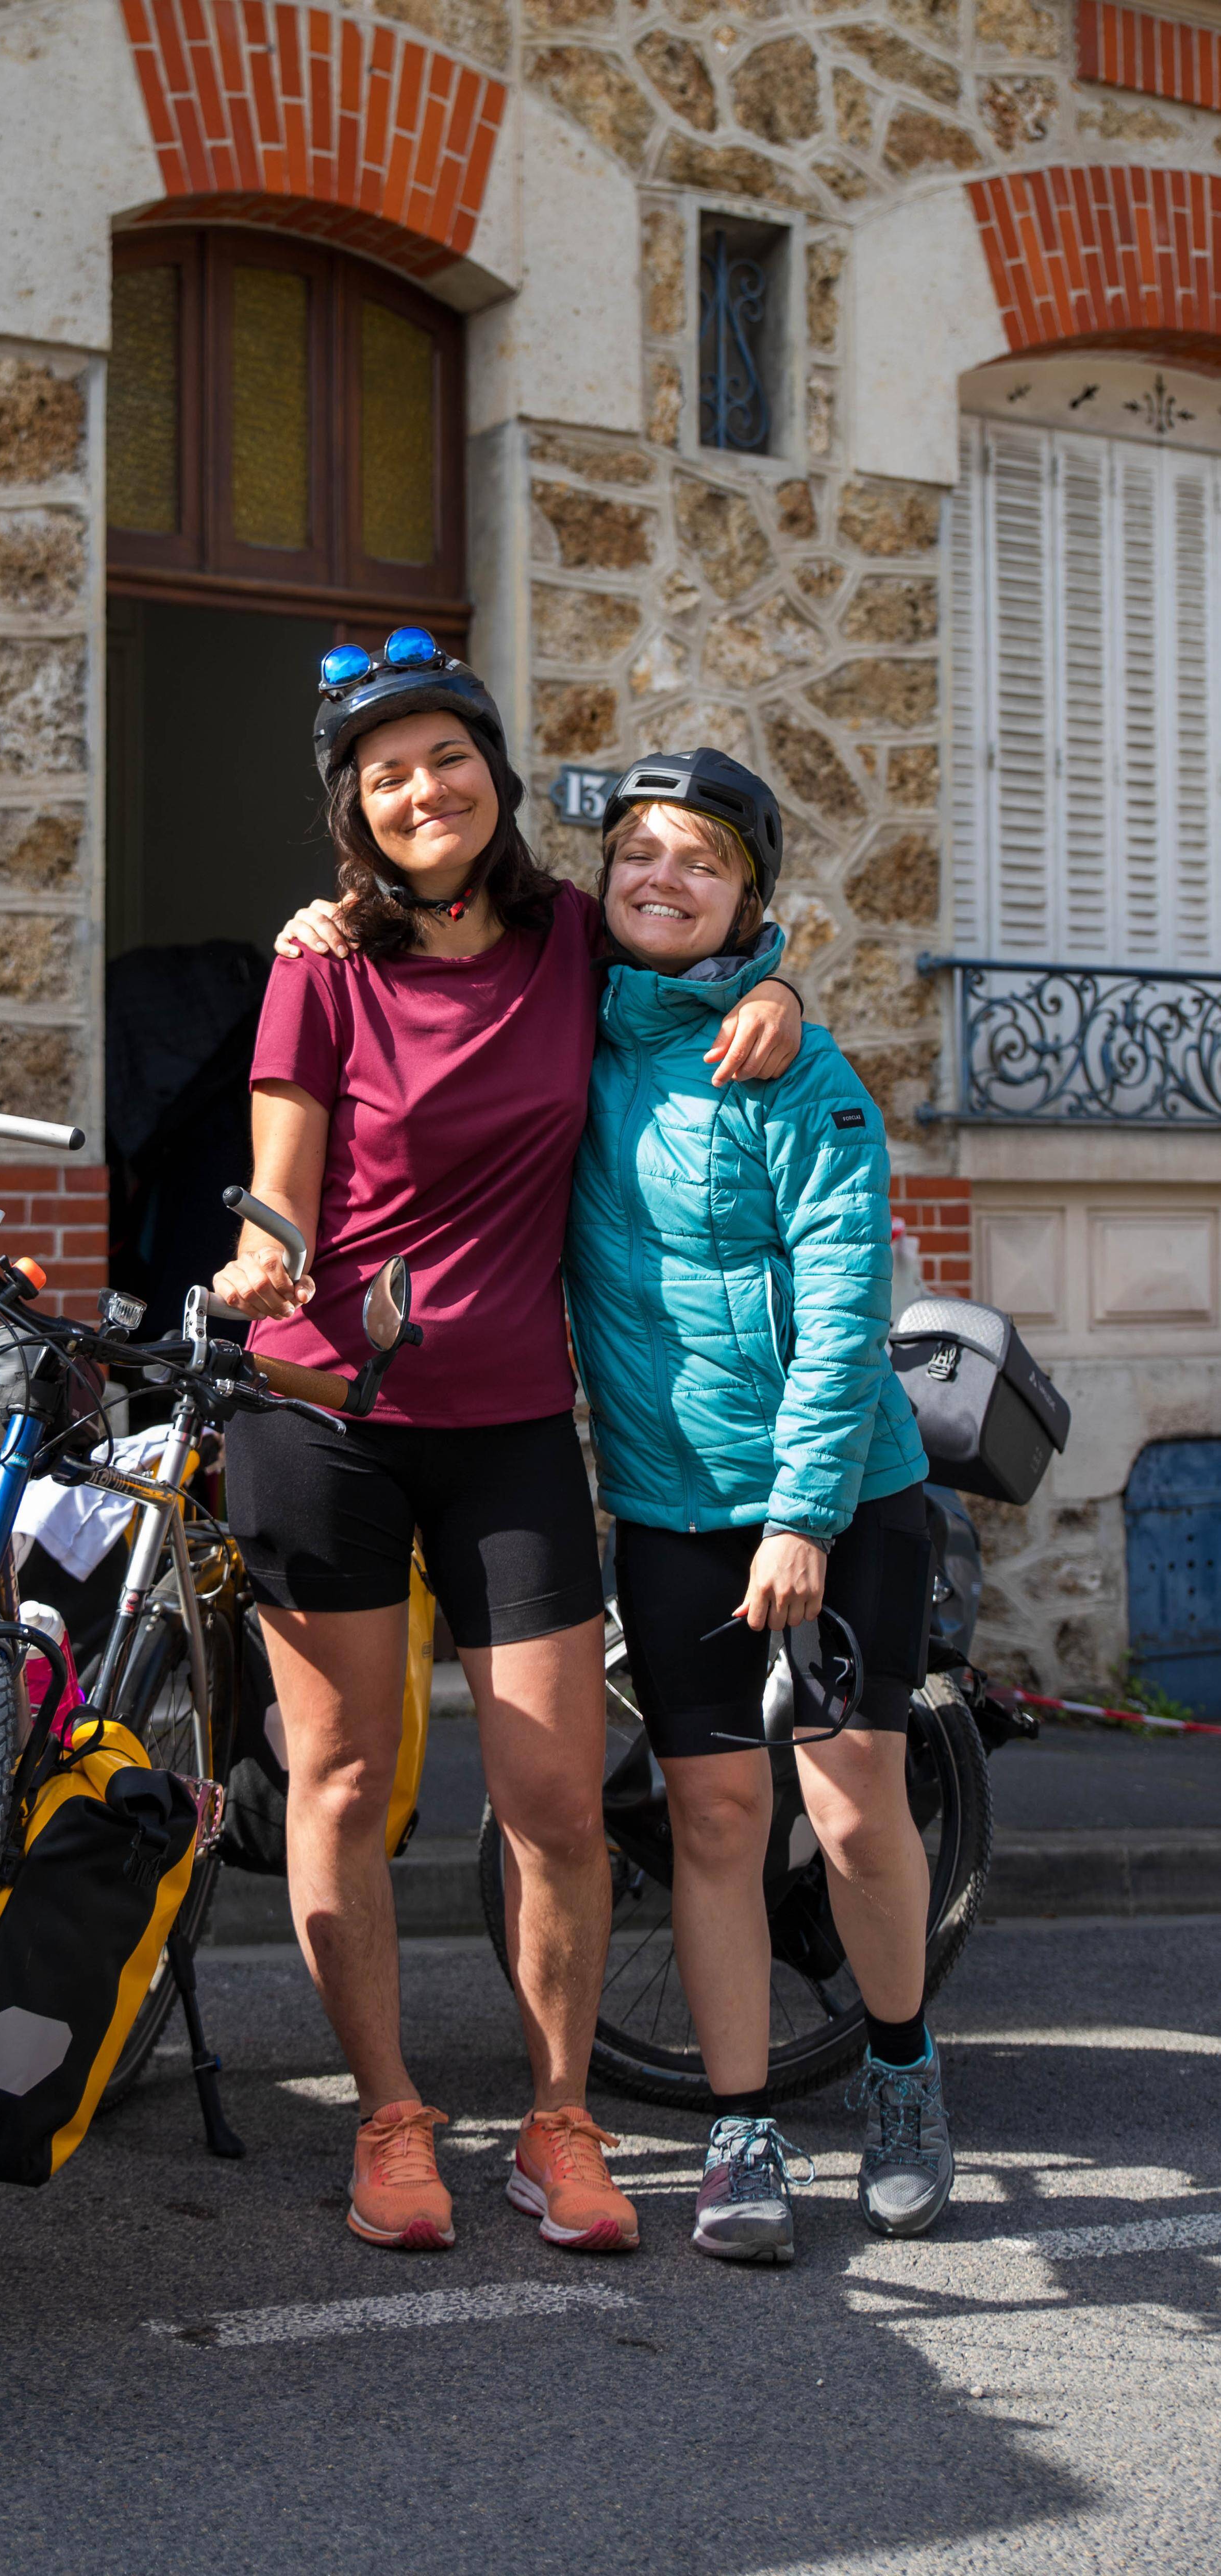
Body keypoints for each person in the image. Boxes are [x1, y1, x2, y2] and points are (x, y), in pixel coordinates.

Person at [215, 633, 805, 2256]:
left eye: (446, 757)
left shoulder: (565, 944)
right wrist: (265, 1256)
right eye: (386, 773)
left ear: (494, 769)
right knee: (340, 1779)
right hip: (319, 1413)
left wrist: (775, 985)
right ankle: (391, 2123)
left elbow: (699, 926)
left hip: (510, 1427)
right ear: (356, 806)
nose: (423, 790)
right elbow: (282, 1173)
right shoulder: (320, 960)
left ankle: (559, 2120)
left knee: (551, 1790)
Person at [562, 751, 949, 2265]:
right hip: (666, 1503)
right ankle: (740, 2136)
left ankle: (906, 2075)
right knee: (716, 1817)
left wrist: (800, 1516)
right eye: (637, 854)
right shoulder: (569, 1039)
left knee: (851, 1813)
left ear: (749, 897)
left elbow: (851, 1300)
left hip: (841, 1498)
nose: (662, 879)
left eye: (700, 862)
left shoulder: (791, 1064)